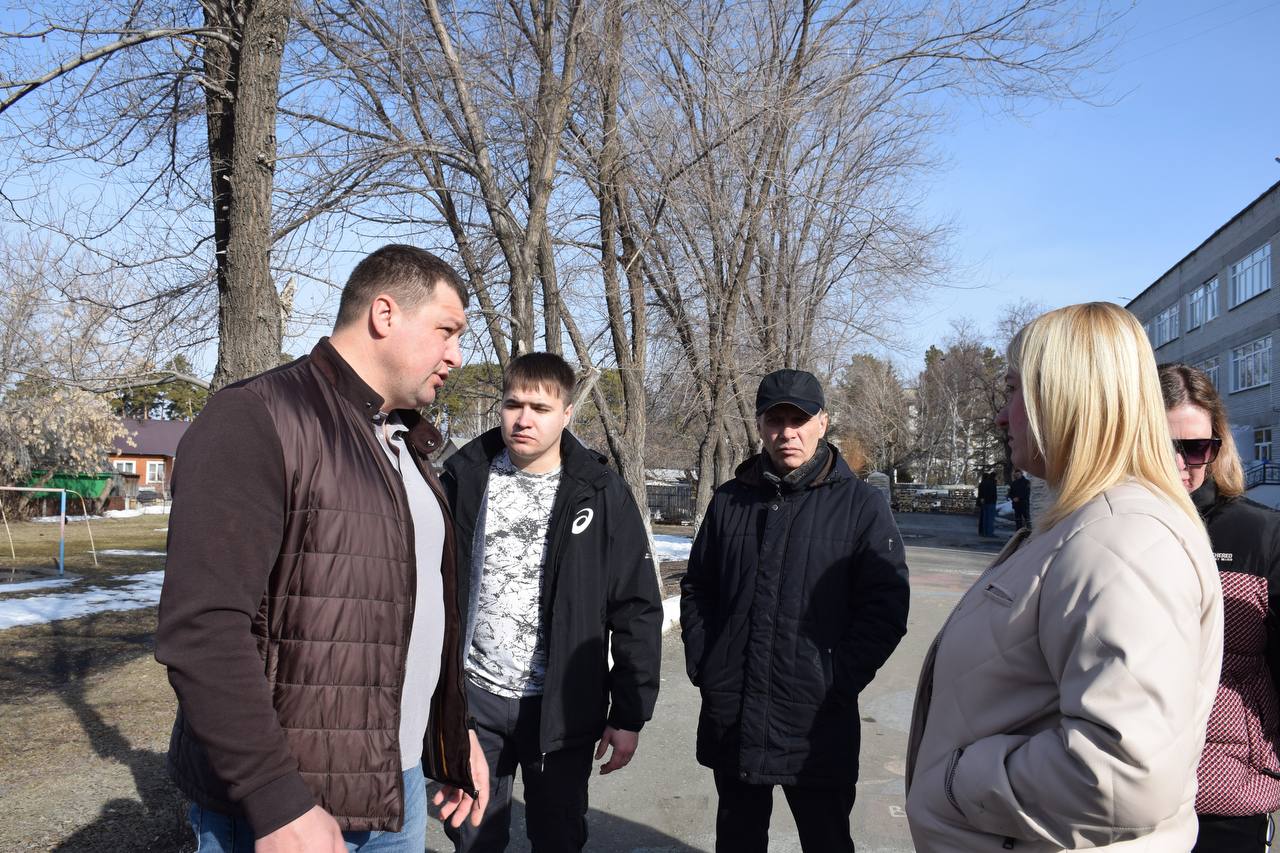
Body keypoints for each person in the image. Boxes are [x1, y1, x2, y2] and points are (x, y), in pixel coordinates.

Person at [155, 245, 489, 853]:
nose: (456, 356)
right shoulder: (257, 417)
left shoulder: (404, 442)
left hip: (399, 788)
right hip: (288, 811)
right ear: (384, 314)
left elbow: (409, 617)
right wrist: (275, 799)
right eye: (447, 331)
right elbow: (202, 630)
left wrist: (452, 732)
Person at [905, 302, 1223, 852]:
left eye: (1012, 390)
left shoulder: (1122, 538)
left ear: (1065, 397)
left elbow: (1124, 773)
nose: (1000, 417)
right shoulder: (1088, 524)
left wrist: (957, 780)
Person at [680, 368, 910, 853]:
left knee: (826, 840)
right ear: (760, 426)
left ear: (822, 423)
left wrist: (836, 679)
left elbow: (885, 607)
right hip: (736, 713)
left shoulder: (861, 506)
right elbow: (699, 588)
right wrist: (708, 664)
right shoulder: (730, 502)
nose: (788, 433)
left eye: (799, 420)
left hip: (816, 723)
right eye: (775, 420)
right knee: (738, 840)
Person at [440, 352, 662, 852]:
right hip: (474, 702)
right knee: (472, 838)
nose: (524, 419)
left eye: (540, 408)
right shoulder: (462, 479)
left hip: (562, 708)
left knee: (558, 838)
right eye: (513, 404)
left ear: (566, 414)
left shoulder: (600, 492)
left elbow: (636, 608)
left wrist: (629, 714)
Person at [1160, 362, 1280, 853]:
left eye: (1196, 448)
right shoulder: (1103, 527)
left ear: (1217, 446)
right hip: (1117, 790)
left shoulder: (1260, 533)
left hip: (1225, 795)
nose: (1180, 462)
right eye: (1164, 445)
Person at [976, 470, 998, 536]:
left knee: (984, 518)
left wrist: (982, 499)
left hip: (984, 502)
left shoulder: (982, 483)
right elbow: (992, 493)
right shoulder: (991, 483)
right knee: (990, 518)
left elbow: (981, 493)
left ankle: (983, 532)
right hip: (991, 502)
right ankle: (989, 532)